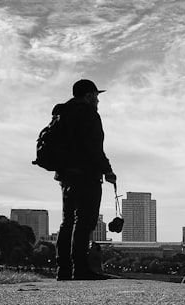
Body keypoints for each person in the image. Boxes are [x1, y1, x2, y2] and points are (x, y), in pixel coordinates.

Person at [55, 79, 117, 281]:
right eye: (96, 96)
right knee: (85, 222)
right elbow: (94, 147)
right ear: (89, 96)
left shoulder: (62, 113)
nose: (98, 100)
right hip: (86, 175)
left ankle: (63, 269)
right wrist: (107, 171)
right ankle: (80, 268)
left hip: (66, 176)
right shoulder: (89, 115)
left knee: (67, 223)